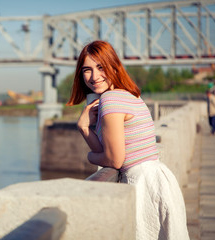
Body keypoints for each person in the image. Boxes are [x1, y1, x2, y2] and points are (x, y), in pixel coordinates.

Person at [67, 40, 189, 240]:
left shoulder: (111, 99)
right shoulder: (130, 95)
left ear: (113, 65)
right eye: (87, 70)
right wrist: (83, 127)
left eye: (100, 67)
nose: (94, 76)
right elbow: (109, 151)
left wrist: (90, 157)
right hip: (155, 178)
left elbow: (114, 160)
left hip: (143, 184)